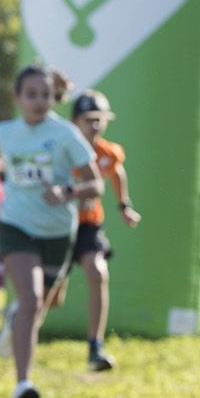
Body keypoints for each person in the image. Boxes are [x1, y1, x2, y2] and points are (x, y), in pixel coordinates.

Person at [0, 65, 99, 398]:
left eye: (45, 95)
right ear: (17, 98)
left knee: (44, 306)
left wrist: (69, 191)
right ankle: (23, 385)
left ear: (53, 97)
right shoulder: (6, 132)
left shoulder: (66, 135)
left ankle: (15, 321)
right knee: (31, 301)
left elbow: (96, 185)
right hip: (16, 225)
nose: (38, 101)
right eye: (31, 95)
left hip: (58, 232)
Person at [62, 90, 141, 372]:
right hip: (58, 225)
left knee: (97, 273)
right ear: (75, 122)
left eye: (100, 119)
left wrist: (124, 205)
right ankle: (18, 334)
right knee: (50, 296)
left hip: (89, 224)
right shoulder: (63, 148)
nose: (95, 126)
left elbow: (116, 171)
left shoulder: (107, 153)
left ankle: (95, 347)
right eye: (89, 119)